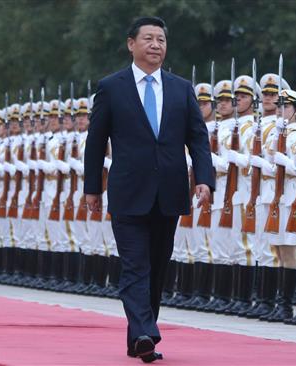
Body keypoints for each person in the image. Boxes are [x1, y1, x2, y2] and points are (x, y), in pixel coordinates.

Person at [83, 16, 214, 363]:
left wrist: (204, 178)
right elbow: (95, 141)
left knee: (156, 267)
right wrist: (92, 187)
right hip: (128, 192)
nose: (156, 45)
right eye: (149, 39)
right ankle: (145, 333)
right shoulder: (112, 87)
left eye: (161, 40)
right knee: (134, 266)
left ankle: (138, 336)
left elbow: (198, 139)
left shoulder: (181, 88)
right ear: (131, 44)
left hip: (170, 191)